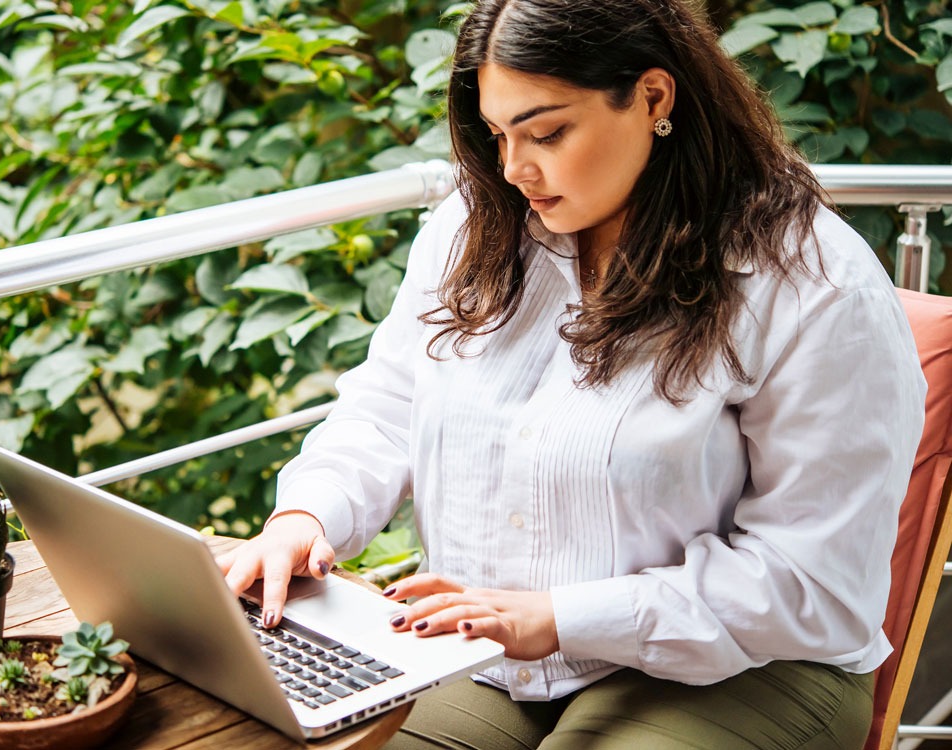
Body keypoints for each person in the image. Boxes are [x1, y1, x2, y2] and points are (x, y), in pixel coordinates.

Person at [216, 0, 928, 747]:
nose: (513, 168)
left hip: (750, 668)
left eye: (547, 132)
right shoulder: (476, 226)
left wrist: (561, 617)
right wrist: (307, 514)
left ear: (654, 97)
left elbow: (810, 581)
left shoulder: (813, 285)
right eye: (497, 134)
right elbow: (390, 404)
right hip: (498, 652)